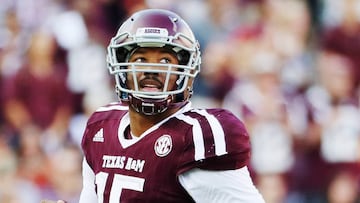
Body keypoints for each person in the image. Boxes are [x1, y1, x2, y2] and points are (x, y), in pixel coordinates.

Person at [43, 8, 265, 203]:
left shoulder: (196, 137)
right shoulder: (101, 127)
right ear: (120, 65)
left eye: (166, 60)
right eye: (140, 60)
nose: (151, 70)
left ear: (186, 70)